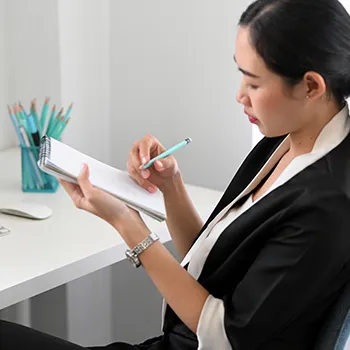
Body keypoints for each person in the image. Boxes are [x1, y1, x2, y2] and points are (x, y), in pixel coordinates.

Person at [2, 0, 350, 349]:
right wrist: (171, 185)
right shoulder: (286, 138)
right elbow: (211, 266)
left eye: (254, 83)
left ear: (310, 86)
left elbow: (225, 337)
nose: (240, 95)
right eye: (240, 75)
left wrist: (128, 224)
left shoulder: (328, 205)